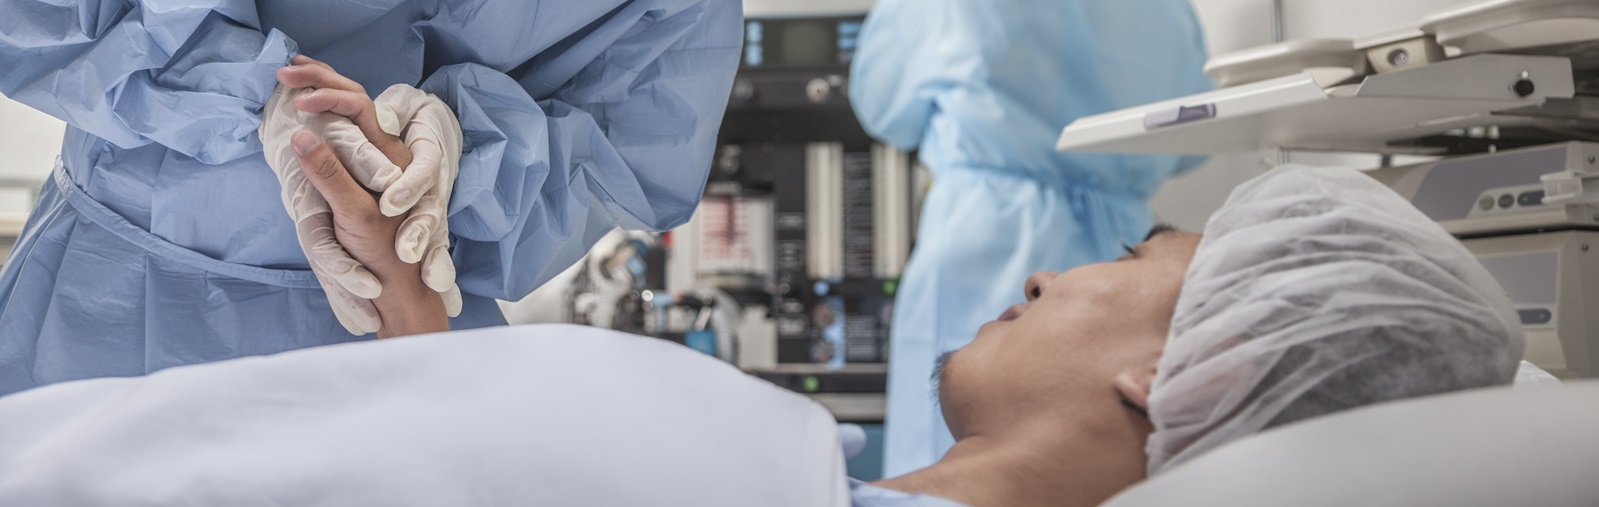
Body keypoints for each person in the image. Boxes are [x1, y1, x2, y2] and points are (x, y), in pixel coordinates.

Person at [0, 165, 1526, 507]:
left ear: (1186, 373)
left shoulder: (702, 447)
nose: (1055, 271)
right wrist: (439, 349)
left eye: (1135, 257)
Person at [0, 0, 743, 396]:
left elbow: (632, 145)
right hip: (104, 305)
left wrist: (450, 167)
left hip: (399, 321)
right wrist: (248, 90)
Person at [847, 0, 1216, 475]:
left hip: (987, 230)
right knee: (1095, 456)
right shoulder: (1169, 10)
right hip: (1119, 250)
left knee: (957, 445)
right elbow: (1191, 143)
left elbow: (885, 109)